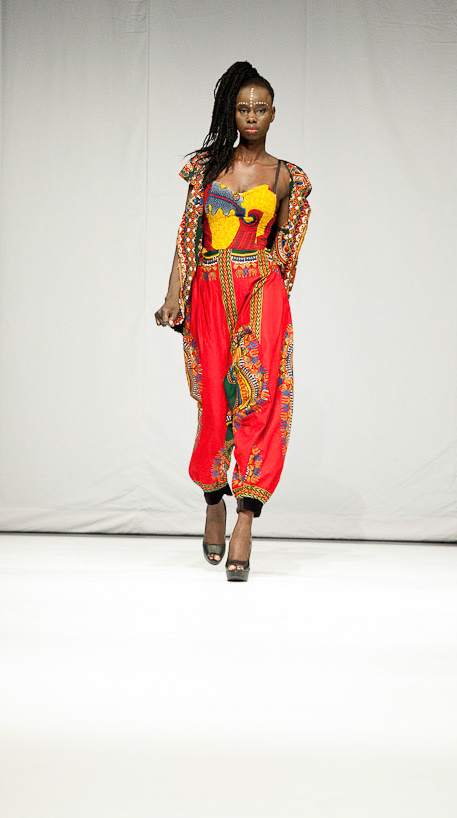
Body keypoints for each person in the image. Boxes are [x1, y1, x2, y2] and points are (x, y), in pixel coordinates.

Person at [154, 61, 312, 581]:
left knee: (259, 397)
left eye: (260, 108)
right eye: (243, 108)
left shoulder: (287, 177)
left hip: (261, 289)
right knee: (215, 400)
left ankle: (246, 516)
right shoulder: (205, 169)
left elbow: (287, 251)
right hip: (208, 290)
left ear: (274, 114)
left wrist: (272, 303)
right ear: (232, 111)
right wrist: (174, 295)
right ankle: (213, 500)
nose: (251, 116)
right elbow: (187, 238)